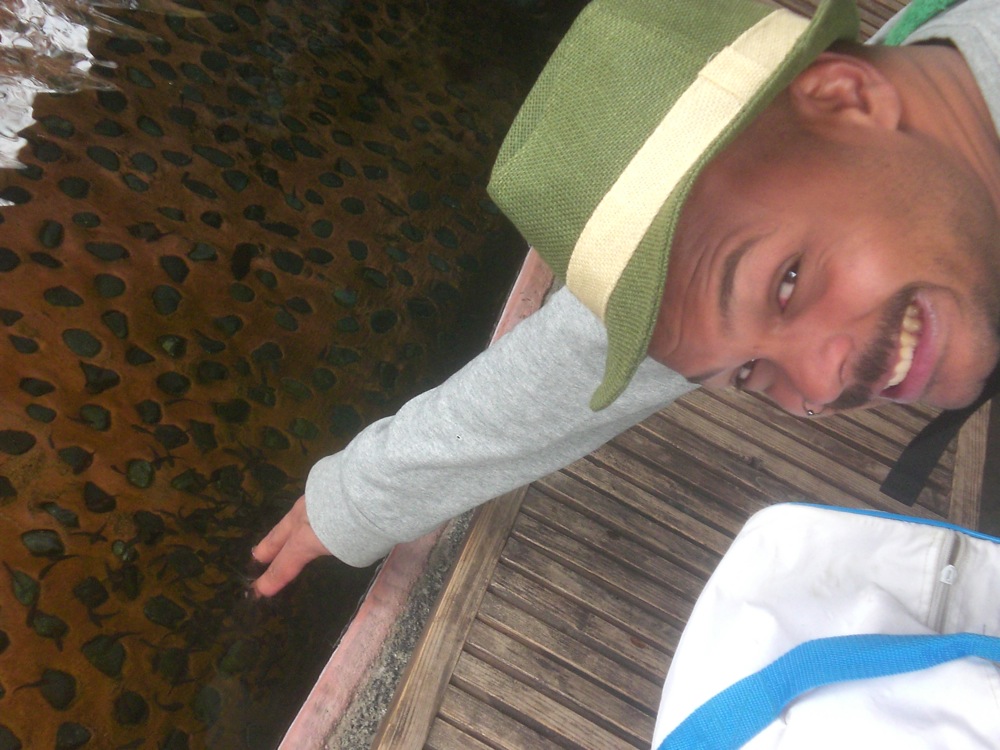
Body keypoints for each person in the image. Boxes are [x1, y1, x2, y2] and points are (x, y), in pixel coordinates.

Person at [252, 0, 1000, 597]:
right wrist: (358, 499)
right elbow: (592, 350)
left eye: (789, 282)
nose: (822, 387)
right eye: (744, 372)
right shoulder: (894, 166)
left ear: (844, 95)